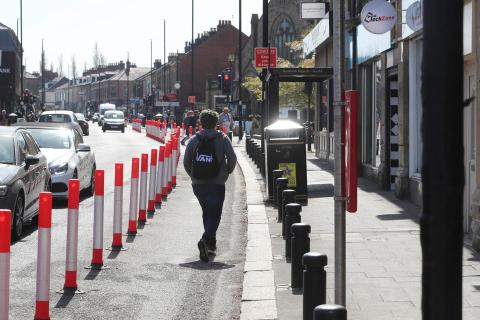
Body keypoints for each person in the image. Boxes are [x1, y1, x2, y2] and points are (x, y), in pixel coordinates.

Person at [183, 109, 237, 262]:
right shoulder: (223, 139)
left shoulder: (194, 139)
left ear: (201, 123)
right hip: (217, 183)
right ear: (216, 123)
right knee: (215, 214)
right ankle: (205, 239)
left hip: (198, 184)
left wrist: (194, 176)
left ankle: (211, 246)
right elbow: (232, 159)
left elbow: (186, 162)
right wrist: (226, 172)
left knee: (207, 211)